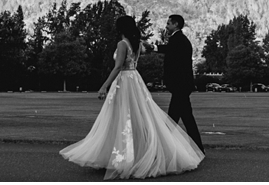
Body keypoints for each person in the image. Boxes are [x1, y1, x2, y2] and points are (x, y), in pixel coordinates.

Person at [60, 16, 204, 180]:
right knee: (139, 116)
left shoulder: (123, 44)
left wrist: (104, 86)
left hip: (124, 81)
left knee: (122, 117)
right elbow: (147, 49)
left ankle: (127, 155)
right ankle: (150, 151)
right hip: (135, 80)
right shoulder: (137, 44)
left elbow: (118, 67)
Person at [155, 14, 205, 153]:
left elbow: (169, 51)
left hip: (179, 86)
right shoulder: (180, 40)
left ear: (176, 24)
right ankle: (197, 148)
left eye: (169, 23)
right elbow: (169, 49)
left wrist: (153, 48)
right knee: (185, 118)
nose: (166, 26)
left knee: (173, 119)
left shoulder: (178, 40)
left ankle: (162, 146)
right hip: (182, 86)